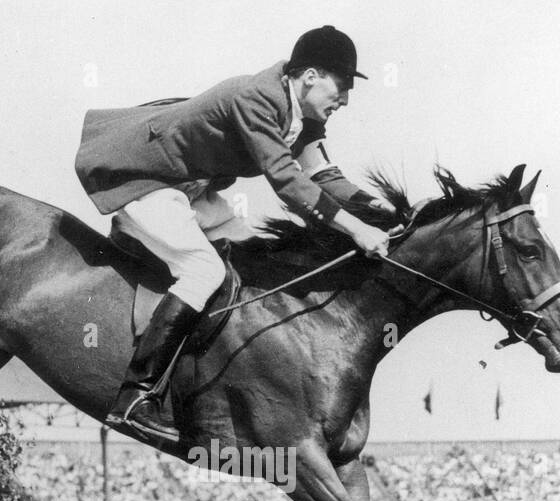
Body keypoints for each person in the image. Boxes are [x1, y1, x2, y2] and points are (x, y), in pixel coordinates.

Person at [74, 25, 394, 444]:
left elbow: (324, 176)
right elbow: (288, 182)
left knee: (252, 258)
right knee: (205, 272)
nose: (346, 99)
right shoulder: (256, 98)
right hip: (146, 181)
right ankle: (136, 397)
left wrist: (378, 209)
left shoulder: (302, 114)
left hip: (190, 187)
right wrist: (356, 229)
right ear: (311, 75)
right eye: (343, 85)